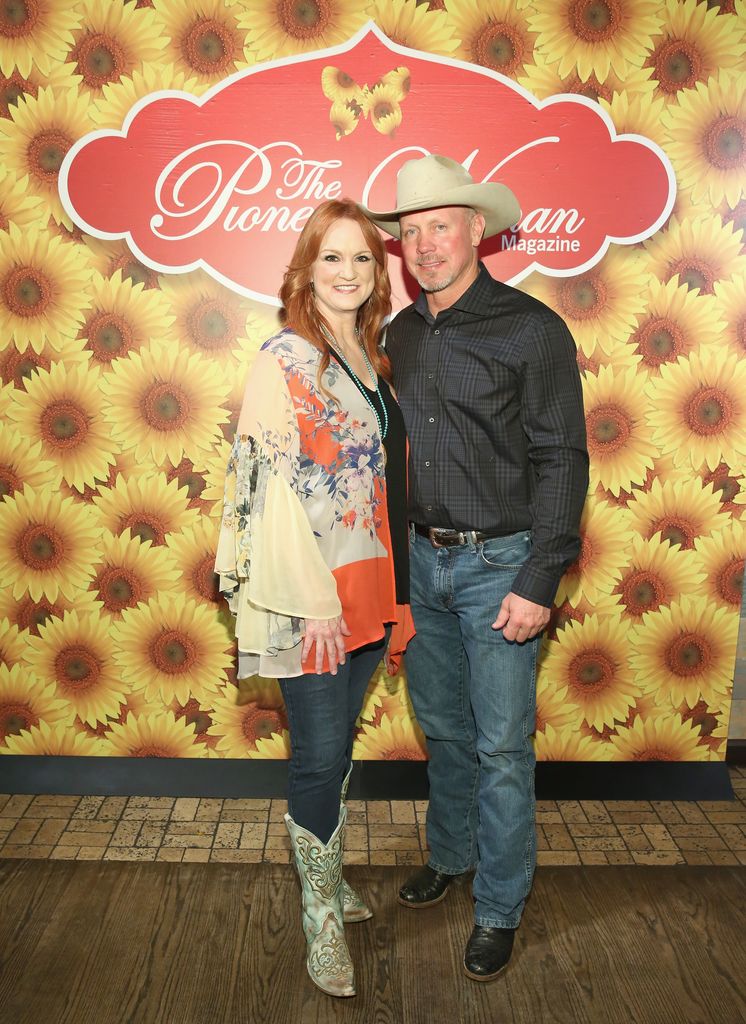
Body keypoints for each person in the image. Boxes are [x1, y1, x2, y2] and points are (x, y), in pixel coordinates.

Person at [362, 155, 589, 981]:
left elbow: (563, 459)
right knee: (448, 732)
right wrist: (391, 585)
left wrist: (539, 580)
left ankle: (499, 907)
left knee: (501, 749)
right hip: (422, 565)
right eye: (410, 231)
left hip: (504, 567)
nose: (424, 245)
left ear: (477, 230)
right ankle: (451, 857)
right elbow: (388, 465)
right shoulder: (399, 336)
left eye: (439, 227)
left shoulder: (531, 329)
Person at [215, 199, 412, 999]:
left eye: (362, 259)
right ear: (303, 270)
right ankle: (319, 918)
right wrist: (314, 605)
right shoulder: (285, 360)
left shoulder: (370, 357)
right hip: (314, 600)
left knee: (338, 753)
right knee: (319, 756)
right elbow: (265, 497)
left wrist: (391, 596)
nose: (347, 273)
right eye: (331, 258)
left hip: (371, 585)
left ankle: (329, 883)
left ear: (377, 274)